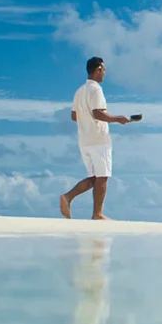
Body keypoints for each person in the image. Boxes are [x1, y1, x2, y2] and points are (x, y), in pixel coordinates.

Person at [61, 57, 134, 220]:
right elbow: (98, 113)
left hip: (84, 140)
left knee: (94, 177)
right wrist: (118, 119)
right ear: (98, 69)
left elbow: (74, 116)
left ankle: (68, 197)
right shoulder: (96, 89)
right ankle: (97, 214)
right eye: (104, 70)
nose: (105, 74)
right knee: (102, 176)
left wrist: (87, 120)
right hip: (98, 139)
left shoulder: (80, 91)